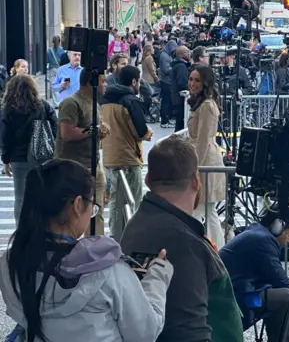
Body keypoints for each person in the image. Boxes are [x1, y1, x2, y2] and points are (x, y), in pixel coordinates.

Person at [0, 159, 174, 342]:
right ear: (77, 205)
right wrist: (157, 276)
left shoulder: (10, 264)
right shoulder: (108, 272)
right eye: (92, 203)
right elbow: (145, 333)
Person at [120, 136, 244, 342]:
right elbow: (188, 332)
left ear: (148, 180)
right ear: (196, 180)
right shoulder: (184, 243)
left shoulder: (137, 226)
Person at [219, 212, 289, 341]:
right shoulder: (263, 241)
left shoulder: (257, 234)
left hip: (232, 290)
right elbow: (281, 281)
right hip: (237, 295)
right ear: (277, 228)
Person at [55, 68, 109, 236]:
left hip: (94, 165)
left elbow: (93, 131)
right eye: (102, 81)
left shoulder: (95, 104)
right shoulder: (72, 103)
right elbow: (66, 133)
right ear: (91, 82)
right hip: (74, 167)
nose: (105, 85)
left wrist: (102, 132)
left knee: (97, 212)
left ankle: (95, 248)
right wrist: (94, 131)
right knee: (71, 214)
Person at [102, 65, 153, 242]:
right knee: (133, 201)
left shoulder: (104, 99)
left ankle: (115, 237)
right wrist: (148, 134)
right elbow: (140, 130)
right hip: (128, 157)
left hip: (109, 156)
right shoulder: (131, 100)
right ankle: (130, 239)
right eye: (138, 80)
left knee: (116, 201)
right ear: (134, 81)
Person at [1, 75, 58, 224]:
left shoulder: (8, 110)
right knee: (42, 194)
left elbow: (6, 138)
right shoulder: (43, 106)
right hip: (42, 155)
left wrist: (6, 160)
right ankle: (41, 228)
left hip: (19, 158)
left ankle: (21, 232)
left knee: (20, 196)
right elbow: (55, 128)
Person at [187, 65, 229, 248]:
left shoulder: (207, 106)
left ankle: (215, 250)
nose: (192, 83)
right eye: (191, 79)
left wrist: (195, 168)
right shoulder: (202, 104)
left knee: (205, 209)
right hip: (203, 158)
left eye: (197, 80)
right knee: (205, 210)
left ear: (205, 83)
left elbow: (203, 140)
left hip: (205, 161)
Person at [170, 45, 191, 132]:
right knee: (181, 123)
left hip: (176, 97)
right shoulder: (181, 67)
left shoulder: (178, 66)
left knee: (179, 123)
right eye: (187, 52)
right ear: (182, 54)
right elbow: (182, 83)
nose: (189, 54)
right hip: (180, 99)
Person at [159, 40, 178, 128]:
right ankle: (164, 121)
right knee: (166, 101)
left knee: (167, 101)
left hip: (167, 81)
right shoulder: (165, 56)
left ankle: (167, 119)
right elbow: (166, 70)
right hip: (166, 81)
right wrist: (174, 67)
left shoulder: (166, 54)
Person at [47, 36, 66, 107]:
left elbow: (47, 61)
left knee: (54, 86)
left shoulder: (49, 51)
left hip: (52, 69)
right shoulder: (62, 50)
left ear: (52, 41)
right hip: (60, 69)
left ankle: (55, 103)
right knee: (61, 86)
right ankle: (61, 101)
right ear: (59, 41)